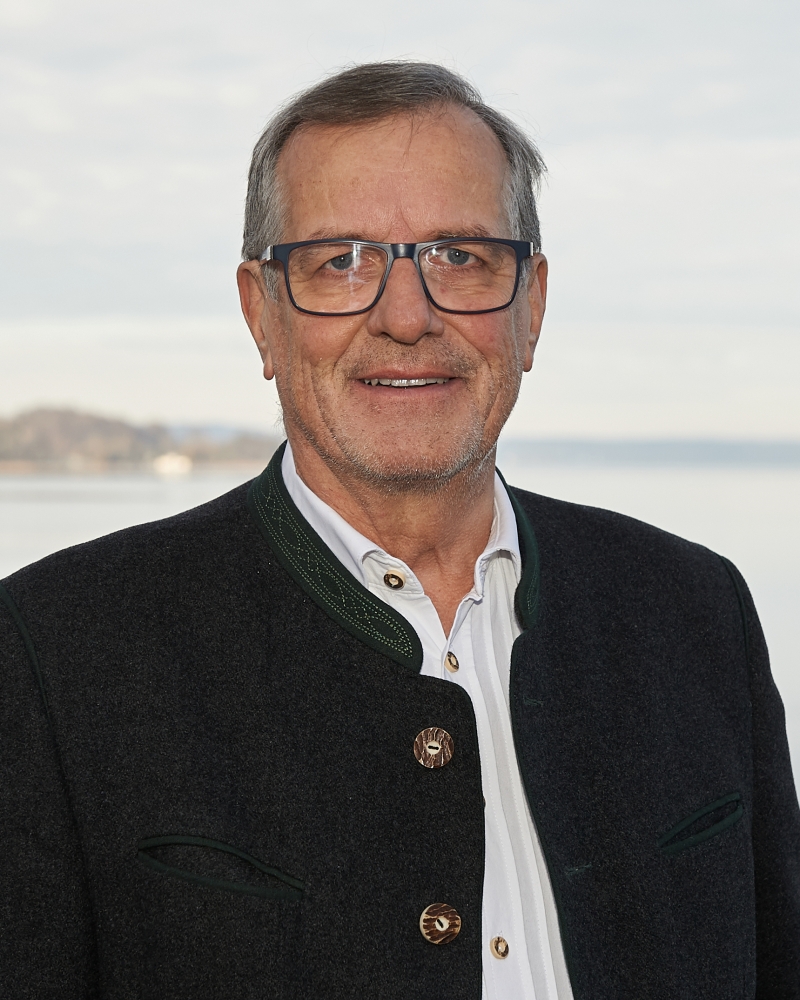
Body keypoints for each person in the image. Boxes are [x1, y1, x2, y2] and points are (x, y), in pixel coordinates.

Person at [1, 61, 798, 1000]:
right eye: (341, 261)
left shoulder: (694, 611)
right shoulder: (57, 650)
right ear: (261, 314)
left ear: (532, 306)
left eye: (460, 255)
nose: (407, 316)